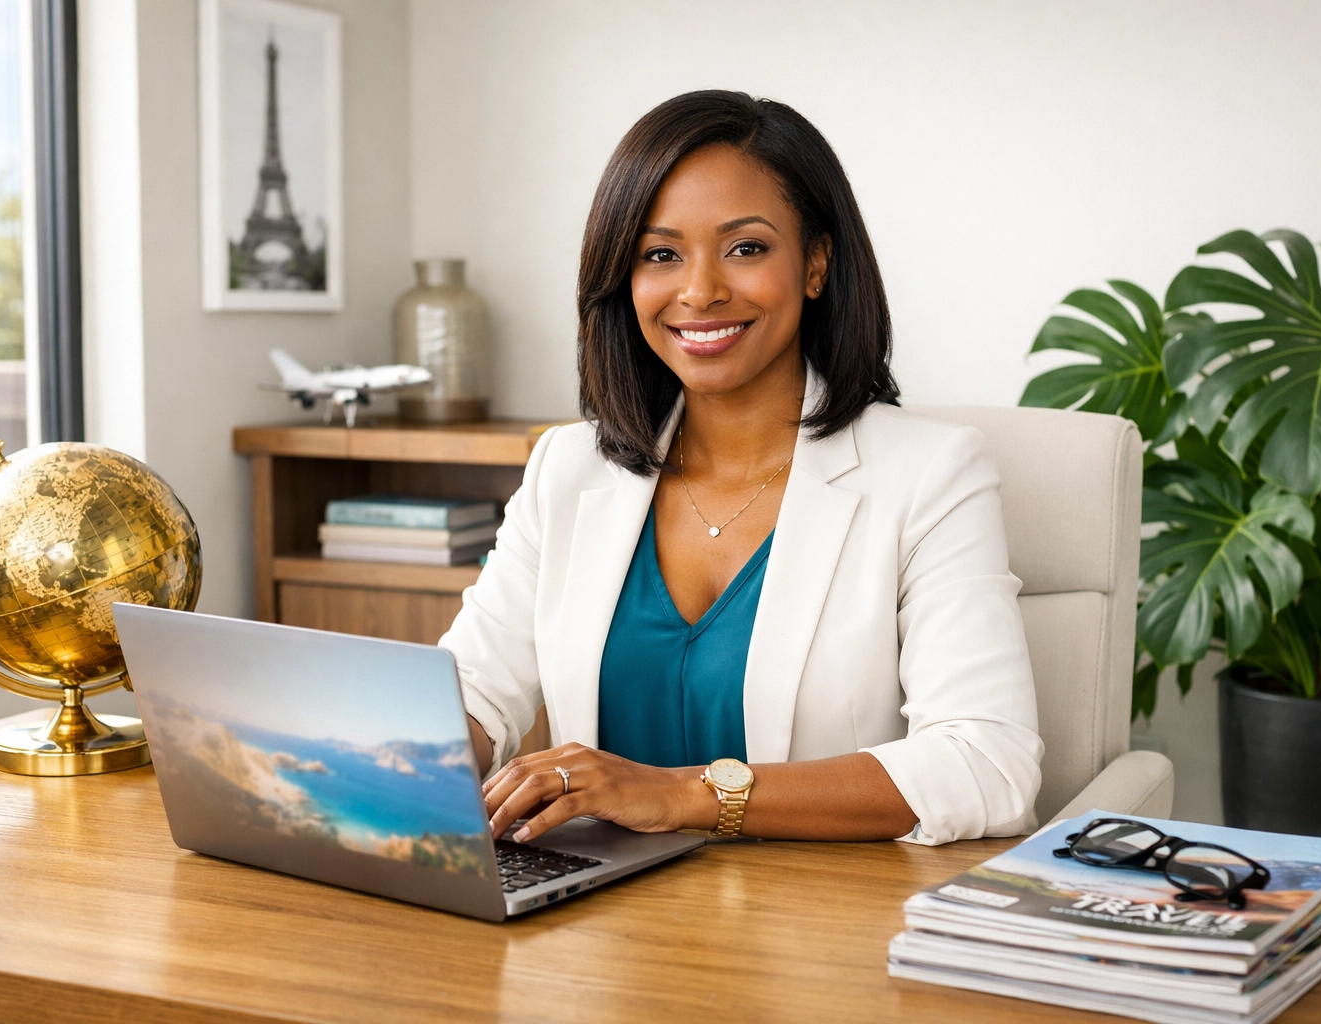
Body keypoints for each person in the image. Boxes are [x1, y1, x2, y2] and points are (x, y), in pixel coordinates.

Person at [439, 90, 1041, 847]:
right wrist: (403, 762)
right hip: (598, 928)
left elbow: (987, 765)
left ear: (816, 262)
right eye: (660, 255)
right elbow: (468, 693)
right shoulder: (569, 467)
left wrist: (684, 794)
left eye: (745, 248)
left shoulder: (932, 473)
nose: (700, 291)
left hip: (818, 930)